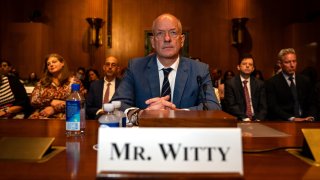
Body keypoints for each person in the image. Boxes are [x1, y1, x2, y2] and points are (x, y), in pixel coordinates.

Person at [111, 13, 221, 121]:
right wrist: (142, 114)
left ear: (182, 40)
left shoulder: (199, 70)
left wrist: (177, 113)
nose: (167, 38)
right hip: (146, 136)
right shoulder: (136, 68)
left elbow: (213, 107)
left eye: (173, 33)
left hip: (186, 136)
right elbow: (116, 106)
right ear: (153, 42)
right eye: (160, 33)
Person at [266, 48, 316, 121]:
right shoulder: (272, 82)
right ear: (280, 64)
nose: (292, 65)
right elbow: (273, 107)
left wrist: (311, 117)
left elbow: (312, 103)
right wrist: (292, 118)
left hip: (306, 120)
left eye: (294, 61)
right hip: (284, 122)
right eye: (288, 62)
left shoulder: (305, 80)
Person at [29, 53, 85, 119]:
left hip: (67, 116)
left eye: (54, 62)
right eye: (48, 64)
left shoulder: (74, 82)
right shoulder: (42, 82)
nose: (51, 65)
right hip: (42, 114)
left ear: (62, 63)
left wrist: (54, 109)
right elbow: (33, 100)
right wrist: (51, 101)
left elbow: (79, 104)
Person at [224, 54, 267, 121]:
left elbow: (263, 106)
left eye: (250, 64)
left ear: (253, 69)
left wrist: (258, 119)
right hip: (239, 119)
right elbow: (231, 105)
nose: (247, 66)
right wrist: (245, 118)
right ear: (238, 67)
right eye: (244, 64)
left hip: (257, 120)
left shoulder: (260, 84)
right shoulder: (230, 83)